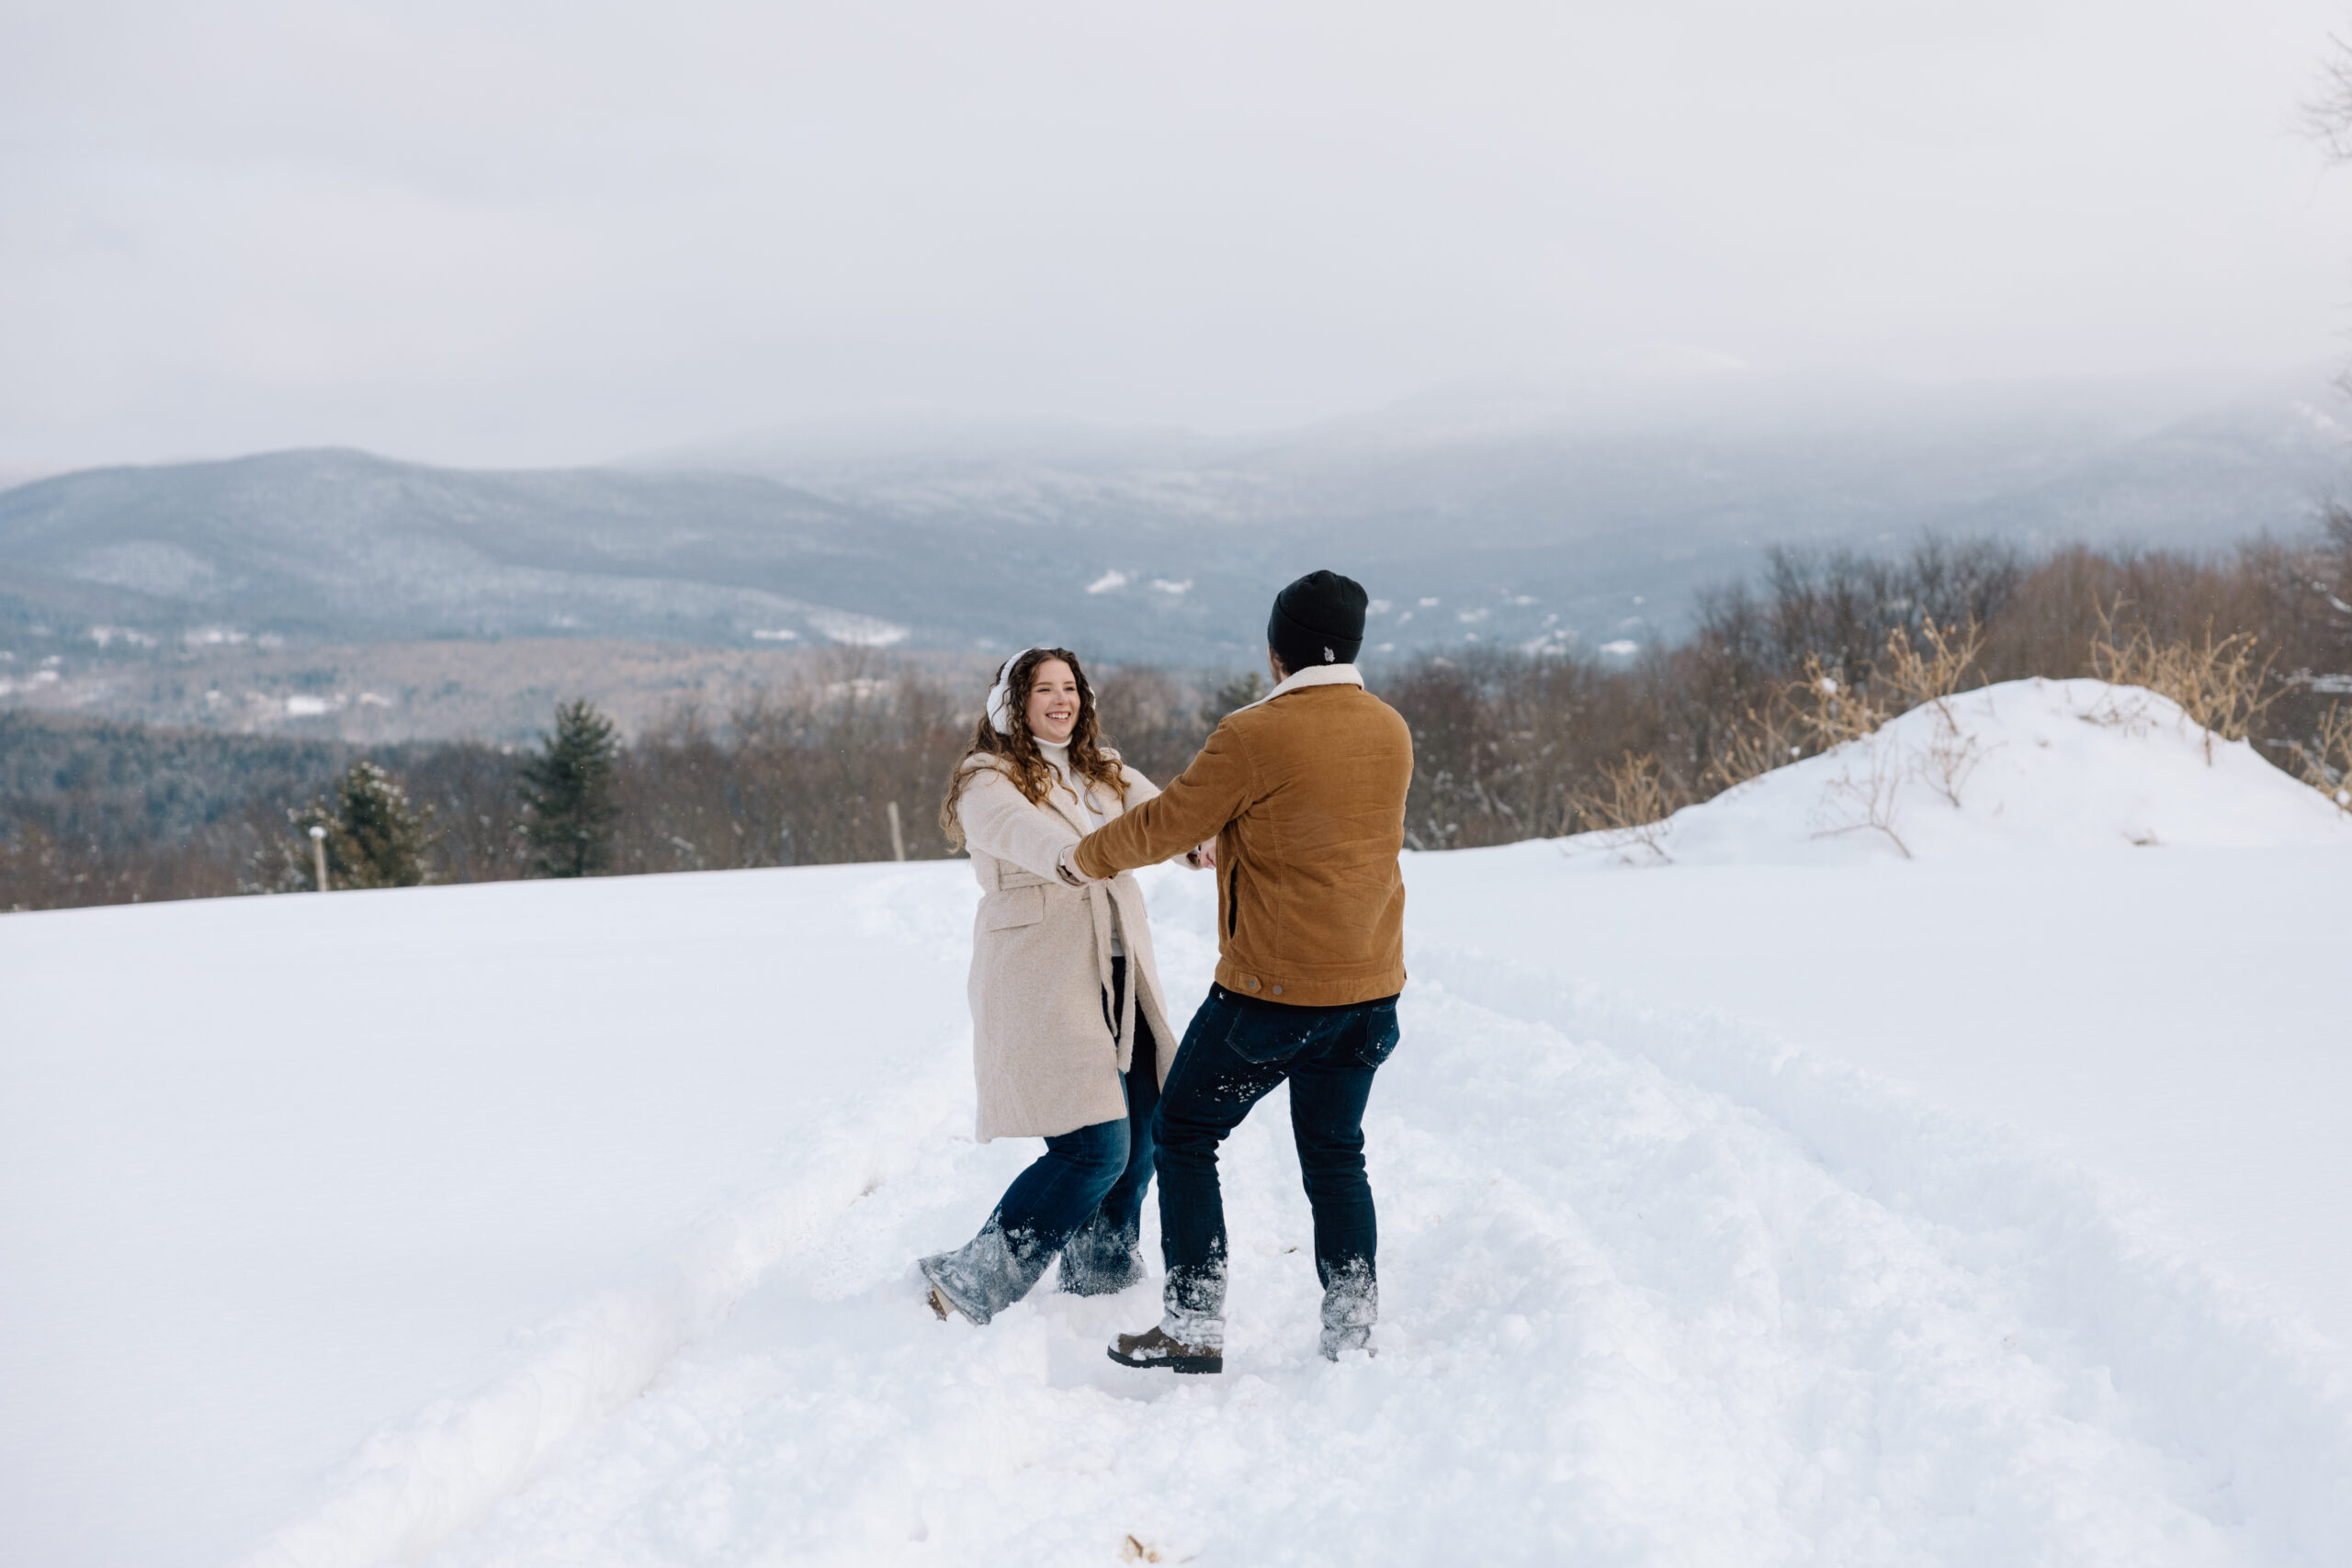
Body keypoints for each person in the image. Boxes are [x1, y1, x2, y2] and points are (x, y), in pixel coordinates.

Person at [1069, 570, 1413, 1373]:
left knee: (1183, 1133)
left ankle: (1193, 1323)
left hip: (1273, 994)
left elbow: (1164, 823)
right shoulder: (1390, 727)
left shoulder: (1255, 733)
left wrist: (1080, 859)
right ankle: (1351, 1326)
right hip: (1369, 991)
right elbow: (1322, 824)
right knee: (1336, 1153)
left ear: (1277, 649)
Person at [917, 646, 1206, 1324]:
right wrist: (1088, 854)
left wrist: (1202, 843)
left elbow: (1165, 816)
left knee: (1147, 1125)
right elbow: (1033, 840)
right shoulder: (985, 779)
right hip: (1042, 978)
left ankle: (1101, 1270)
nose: (1060, 699)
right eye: (1042, 688)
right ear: (1011, 703)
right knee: (1094, 1146)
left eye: (1070, 686)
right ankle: (970, 1277)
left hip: (1119, 971)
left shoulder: (1102, 770)